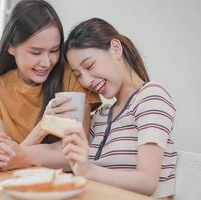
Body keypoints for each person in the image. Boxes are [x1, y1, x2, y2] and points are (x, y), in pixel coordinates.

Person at [0, 0, 100, 172]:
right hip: (15, 184)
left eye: (54, 50)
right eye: (36, 52)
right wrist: (42, 127)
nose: (46, 62)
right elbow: (0, 159)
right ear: (11, 47)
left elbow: (75, 154)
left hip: (65, 185)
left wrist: (17, 156)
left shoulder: (72, 77)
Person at [60, 18, 177, 199]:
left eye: (89, 66)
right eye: (78, 75)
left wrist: (89, 171)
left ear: (116, 48)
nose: (86, 81)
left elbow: (147, 182)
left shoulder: (151, 96)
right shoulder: (100, 116)